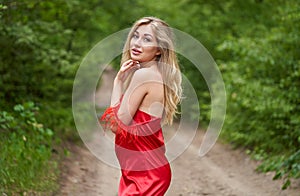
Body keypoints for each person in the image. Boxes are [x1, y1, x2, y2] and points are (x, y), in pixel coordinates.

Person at [100, 16, 182, 196]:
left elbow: (117, 125)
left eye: (147, 39)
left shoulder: (143, 76)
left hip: (146, 174)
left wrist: (118, 82)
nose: (137, 43)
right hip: (143, 172)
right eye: (135, 36)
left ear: (159, 50)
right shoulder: (155, 74)